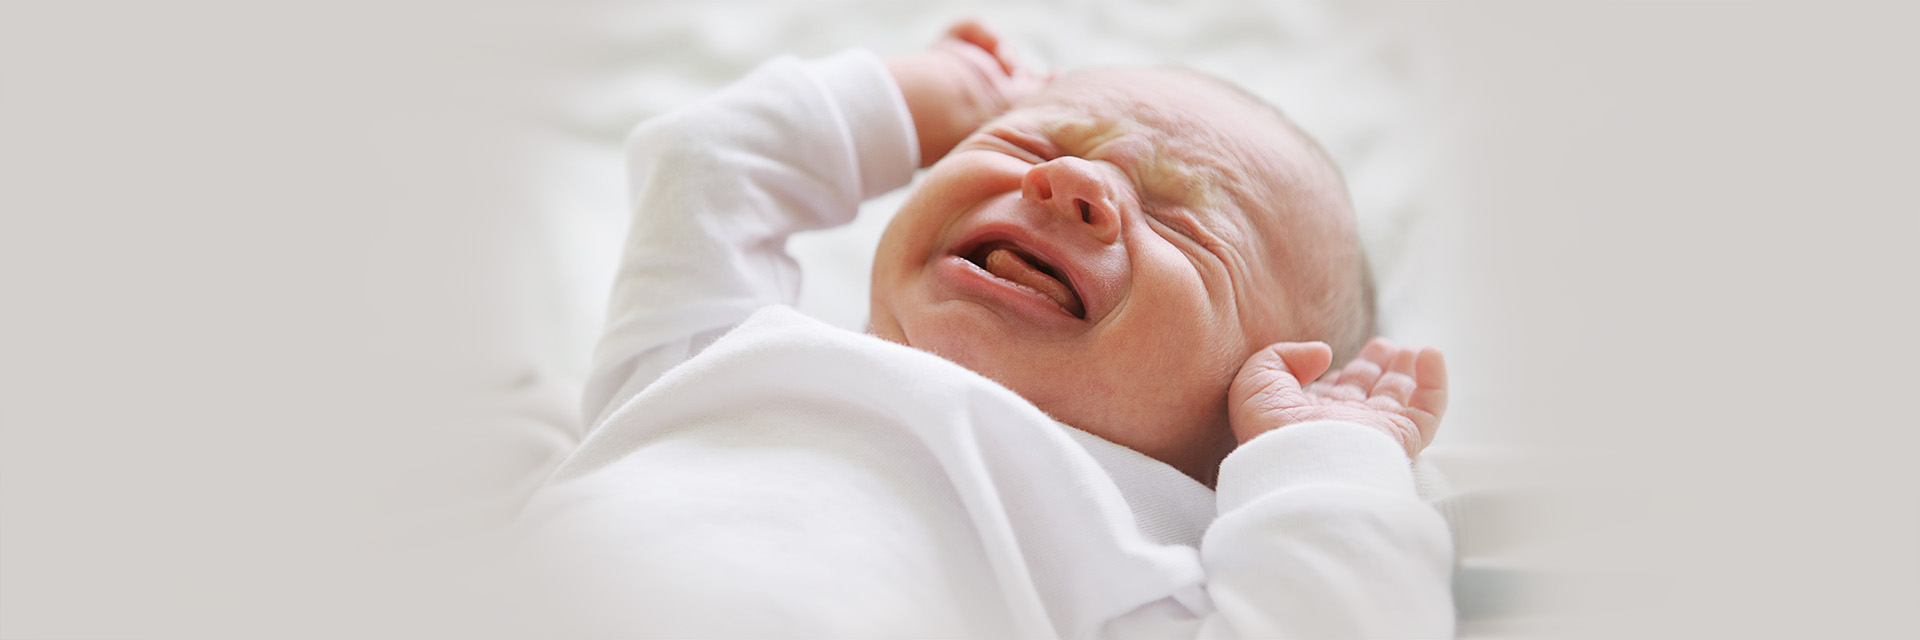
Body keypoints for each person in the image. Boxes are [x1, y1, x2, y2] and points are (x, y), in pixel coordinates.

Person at [516, 21, 1455, 639]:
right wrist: (930, 97)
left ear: (1244, 423)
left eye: (1183, 226)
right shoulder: (712, 365)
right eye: (1032, 144)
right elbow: (707, 160)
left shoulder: (1158, 558)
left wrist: (1325, 464)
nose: (1073, 184)